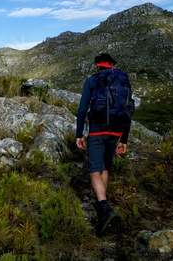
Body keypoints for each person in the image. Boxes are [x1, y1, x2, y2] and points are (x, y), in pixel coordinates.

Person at [75, 53, 132, 235]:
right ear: (113, 65)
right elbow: (129, 109)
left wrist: (79, 134)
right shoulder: (122, 80)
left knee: (94, 170)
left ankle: (104, 208)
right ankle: (104, 207)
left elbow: (83, 108)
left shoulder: (92, 81)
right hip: (116, 132)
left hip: (98, 131)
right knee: (105, 168)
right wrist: (124, 139)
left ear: (97, 65)